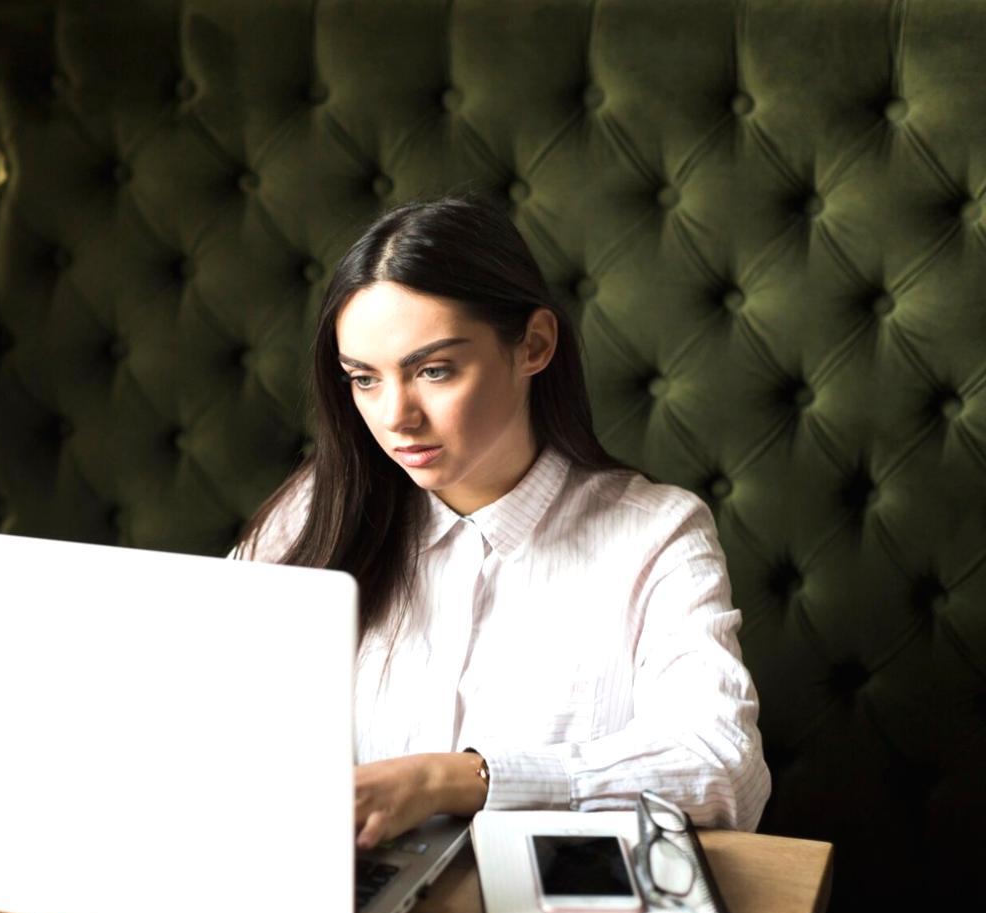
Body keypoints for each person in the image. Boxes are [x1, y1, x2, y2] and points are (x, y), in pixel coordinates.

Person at [232, 195, 770, 850]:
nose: (396, 416)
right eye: (364, 379)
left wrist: (453, 778)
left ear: (533, 345)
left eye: (434, 370)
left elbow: (724, 767)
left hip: (542, 899)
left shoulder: (655, 534)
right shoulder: (319, 506)